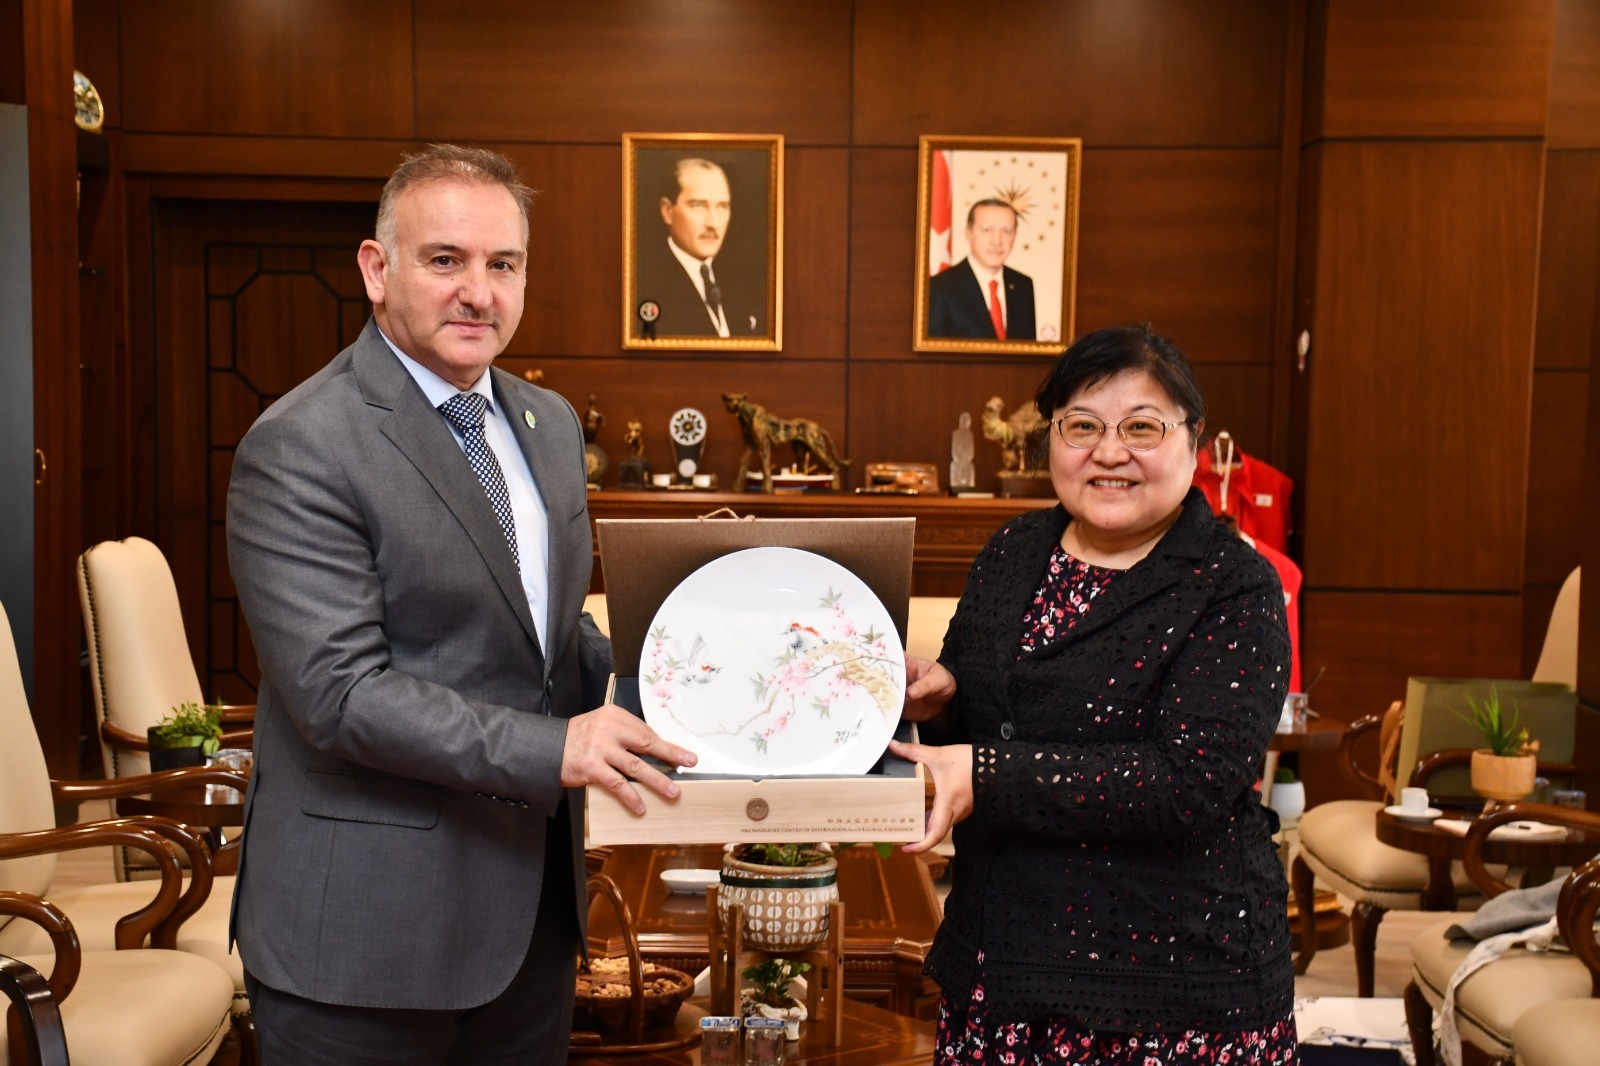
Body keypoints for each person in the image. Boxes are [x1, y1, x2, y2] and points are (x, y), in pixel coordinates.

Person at [226, 144, 697, 1065]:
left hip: (529, 924)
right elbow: (340, 694)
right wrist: (557, 748)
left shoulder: (547, 425)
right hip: (364, 938)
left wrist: (705, 670)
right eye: (446, 260)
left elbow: (547, 636)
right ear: (377, 269)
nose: (478, 292)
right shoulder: (301, 444)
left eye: (503, 265)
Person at [890, 324, 1296, 1065]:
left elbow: (1191, 782)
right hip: (999, 962)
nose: (1109, 452)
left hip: (1167, 990)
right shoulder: (1013, 552)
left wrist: (986, 775)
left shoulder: (1234, 584)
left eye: (1141, 427)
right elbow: (990, 723)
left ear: (1193, 441)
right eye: (1082, 426)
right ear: (1051, 438)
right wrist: (942, 699)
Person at [632, 157, 763, 339]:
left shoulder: (746, 283)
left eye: (722, 207)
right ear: (668, 211)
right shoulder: (643, 282)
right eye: (698, 206)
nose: (713, 223)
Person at [927, 198, 1037, 341]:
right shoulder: (940, 288)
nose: (997, 241)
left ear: (1015, 235)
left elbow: (1028, 349)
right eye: (987, 230)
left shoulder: (1023, 285)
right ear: (969, 234)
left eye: (1006, 231)